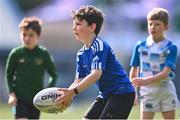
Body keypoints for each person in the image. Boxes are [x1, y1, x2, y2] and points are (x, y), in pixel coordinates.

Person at [56, 5, 135, 119]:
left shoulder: (99, 45)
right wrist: (67, 96)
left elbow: (96, 74)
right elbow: (78, 80)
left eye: (78, 24)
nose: (74, 28)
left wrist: (72, 92)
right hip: (105, 95)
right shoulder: (80, 53)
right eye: (74, 24)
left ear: (92, 27)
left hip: (121, 93)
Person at [129, 8, 178, 119]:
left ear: (166, 27)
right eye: (150, 24)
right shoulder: (140, 46)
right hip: (147, 91)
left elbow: (165, 73)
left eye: (157, 24)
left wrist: (145, 81)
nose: (153, 27)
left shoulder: (171, 47)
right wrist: (133, 92)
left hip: (166, 89)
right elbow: (134, 70)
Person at [5, 16, 58, 119]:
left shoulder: (43, 53)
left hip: (36, 100)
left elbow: (54, 75)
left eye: (31, 35)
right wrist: (11, 94)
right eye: (24, 35)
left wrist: (48, 93)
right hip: (20, 98)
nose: (26, 38)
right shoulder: (16, 53)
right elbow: (8, 75)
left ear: (38, 36)